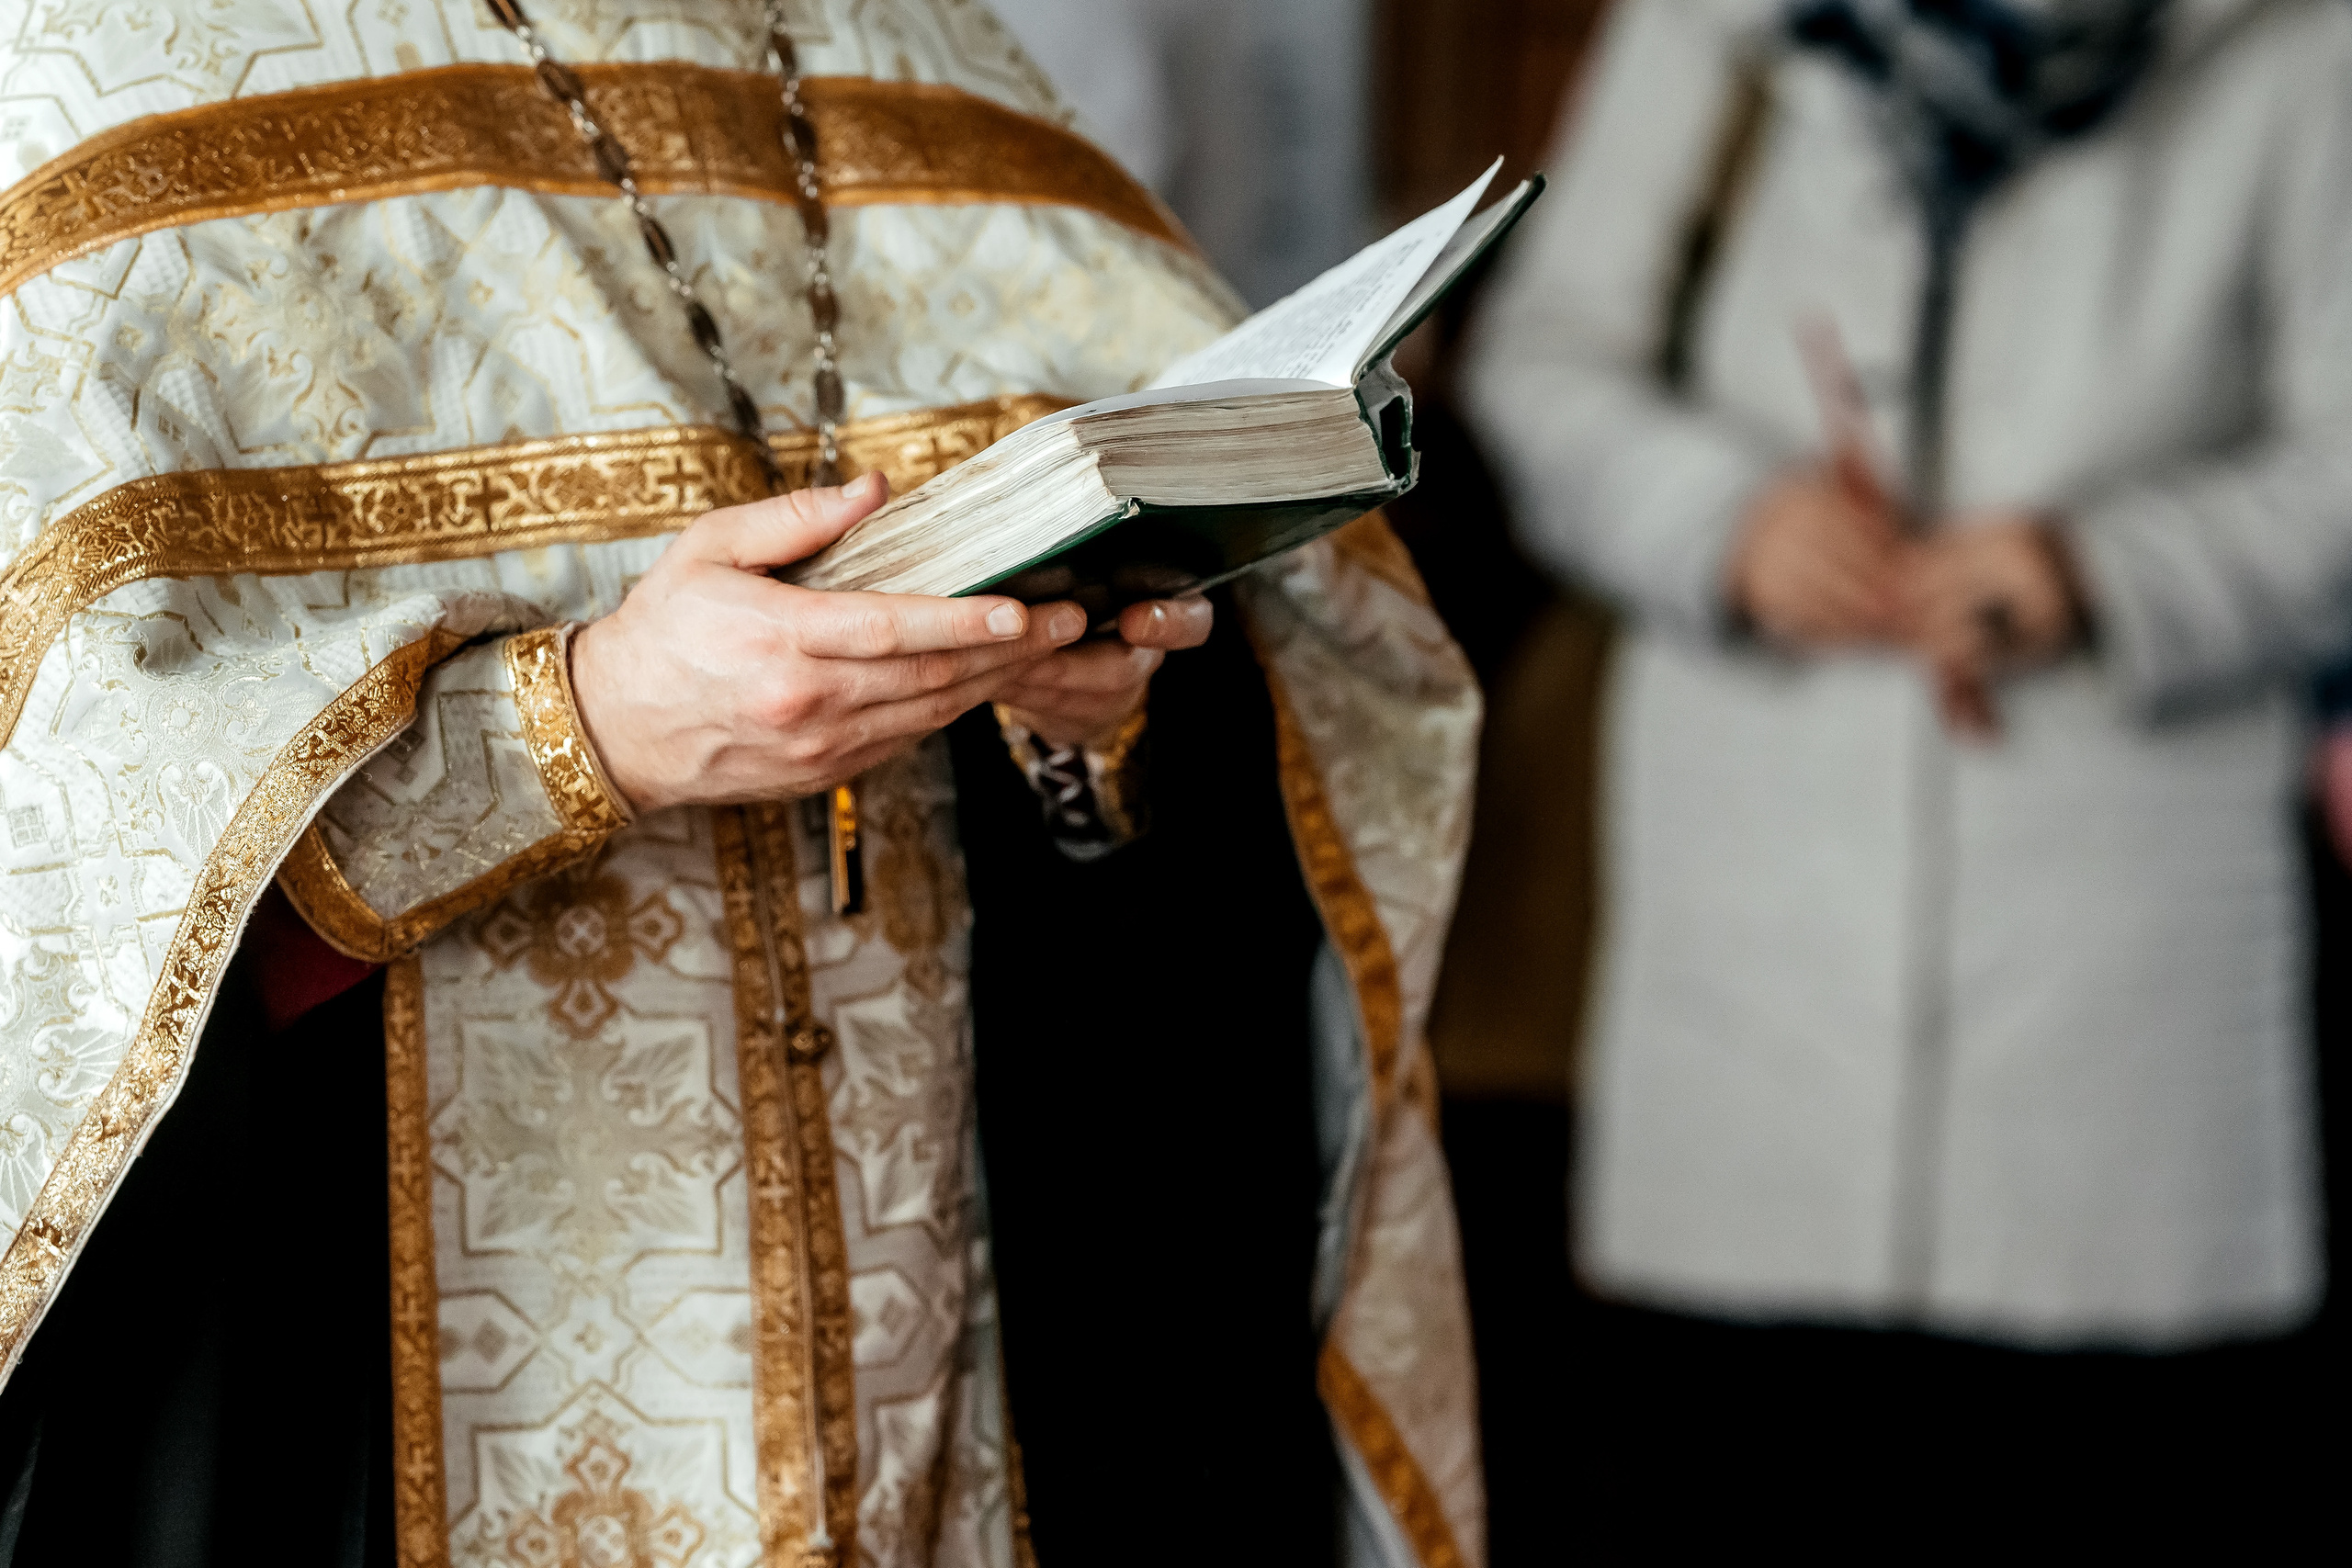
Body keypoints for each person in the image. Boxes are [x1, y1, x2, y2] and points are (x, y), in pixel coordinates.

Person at [0, 3, 1484, 1563]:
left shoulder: (922, 52)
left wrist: (1072, 690)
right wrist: (587, 731)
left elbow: (1236, 821)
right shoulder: (107, 65)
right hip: (380, 1384)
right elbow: (57, 858)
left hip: (944, 1349)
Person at [1466, 0, 2352, 1347]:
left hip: (2125, 947)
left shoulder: (2296, 43)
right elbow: (1542, 356)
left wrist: (2106, 573)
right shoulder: (1717, 26)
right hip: (1756, 905)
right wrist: (1725, 523)